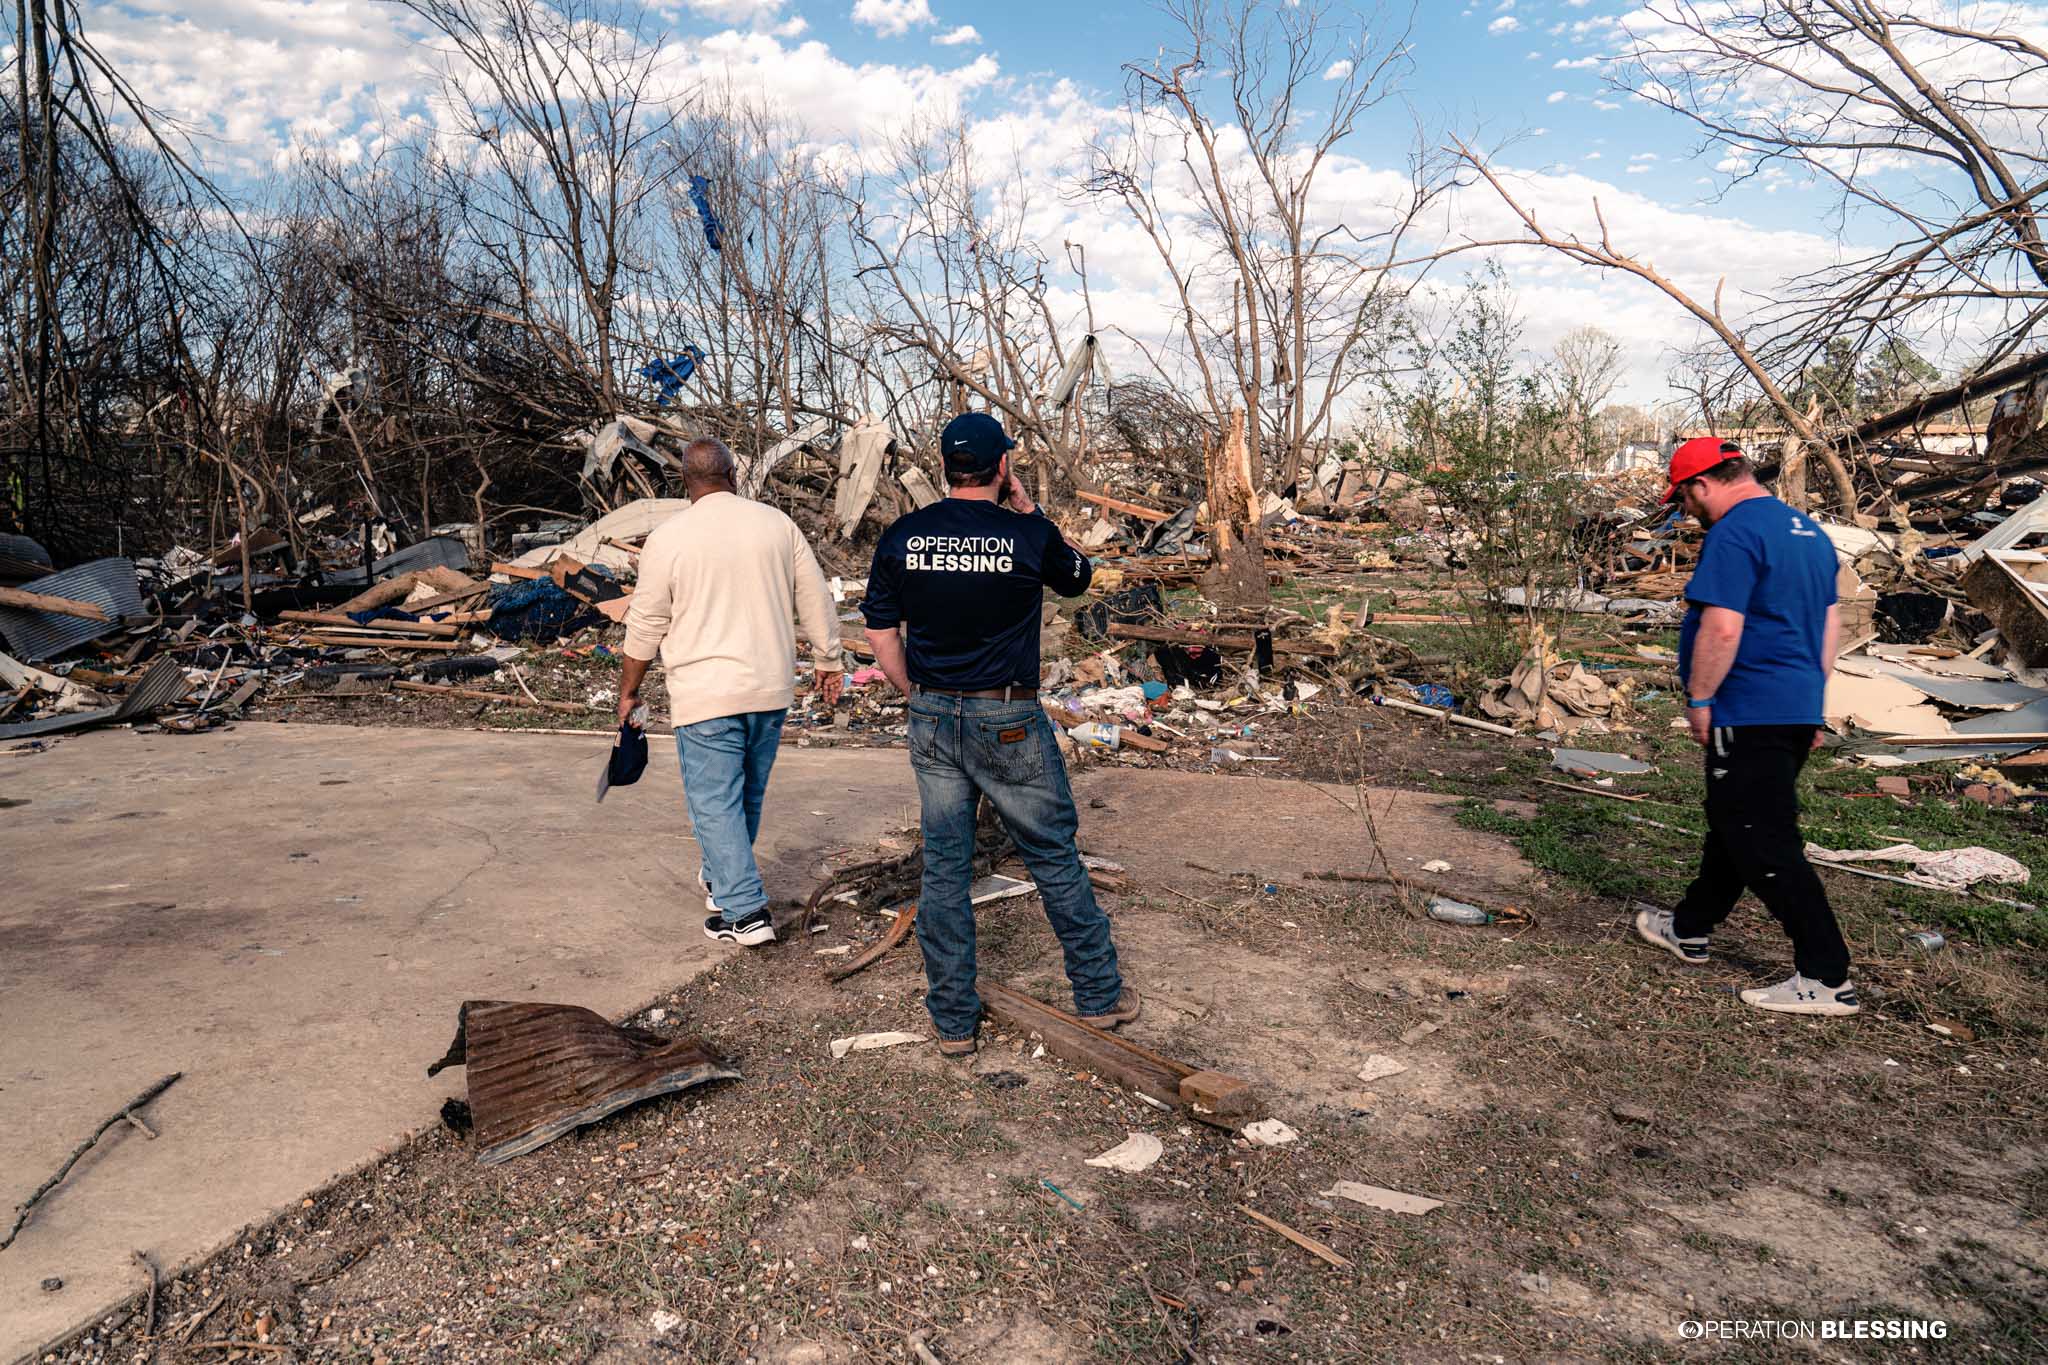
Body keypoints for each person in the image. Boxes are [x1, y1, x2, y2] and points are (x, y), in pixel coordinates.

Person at [862, 412, 1136, 1056]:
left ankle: (954, 1021)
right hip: (1007, 717)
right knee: (1051, 856)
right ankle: (1098, 997)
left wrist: (913, 693)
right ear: (1001, 466)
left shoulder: (905, 536)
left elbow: (880, 631)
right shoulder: (1029, 534)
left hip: (933, 715)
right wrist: (1030, 509)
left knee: (946, 867)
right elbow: (1078, 576)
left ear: (945, 469)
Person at [1633, 437, 1858, 1016]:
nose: (1685, 510)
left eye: (1684, 497)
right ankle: (1689, 927)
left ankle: (1826, 974)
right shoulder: (1807, 533)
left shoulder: (1735, 532)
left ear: (1703, 483)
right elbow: (1828, 627)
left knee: (1763, 839)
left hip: (1748, 705)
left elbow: (1723, 627)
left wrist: (1702, 697)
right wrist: (1810, 700)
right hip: (1791, 703)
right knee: (1735, 822)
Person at [619, 437, 846, 946]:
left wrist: (628, 691)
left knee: (715, 801)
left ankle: (743, 914)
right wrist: (829, 661)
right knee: (746, 793)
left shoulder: (670, 537)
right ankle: (721, 878)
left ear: (684, 482)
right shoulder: (775, 525)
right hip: (768, 689)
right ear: (734, 475)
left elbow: (646, 623)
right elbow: (815, 597)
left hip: (706, 693)